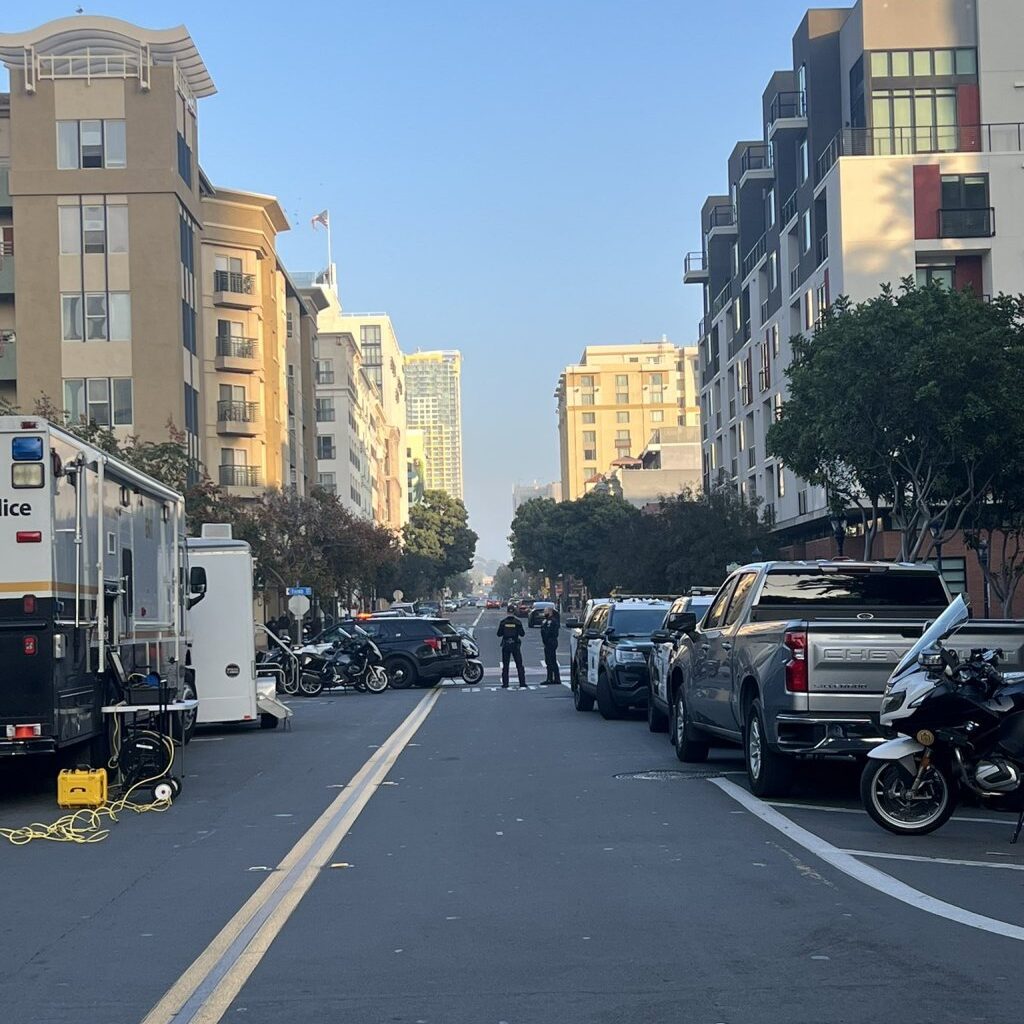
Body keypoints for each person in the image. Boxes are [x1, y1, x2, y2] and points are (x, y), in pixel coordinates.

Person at [496, 611, 527, 689]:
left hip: (506, 645)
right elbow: (522, 634)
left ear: (507, 612)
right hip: (515, 645)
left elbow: (499, 634)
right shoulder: (518, 622)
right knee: (519, 665)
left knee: (505, 665)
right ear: (514, 612)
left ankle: (505, 683)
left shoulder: (503, 622)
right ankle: (522, 683)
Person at [540, 607, 561, 685]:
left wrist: (546, 637)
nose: (544, 613)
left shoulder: (552, 621)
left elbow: (549, 632)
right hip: (548, 642)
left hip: (551, 642)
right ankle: (553, 678)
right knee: (550, 660)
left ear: (550, 612)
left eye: (546, 611)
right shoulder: (547, 621)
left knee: (550, 660)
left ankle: (552, 678)